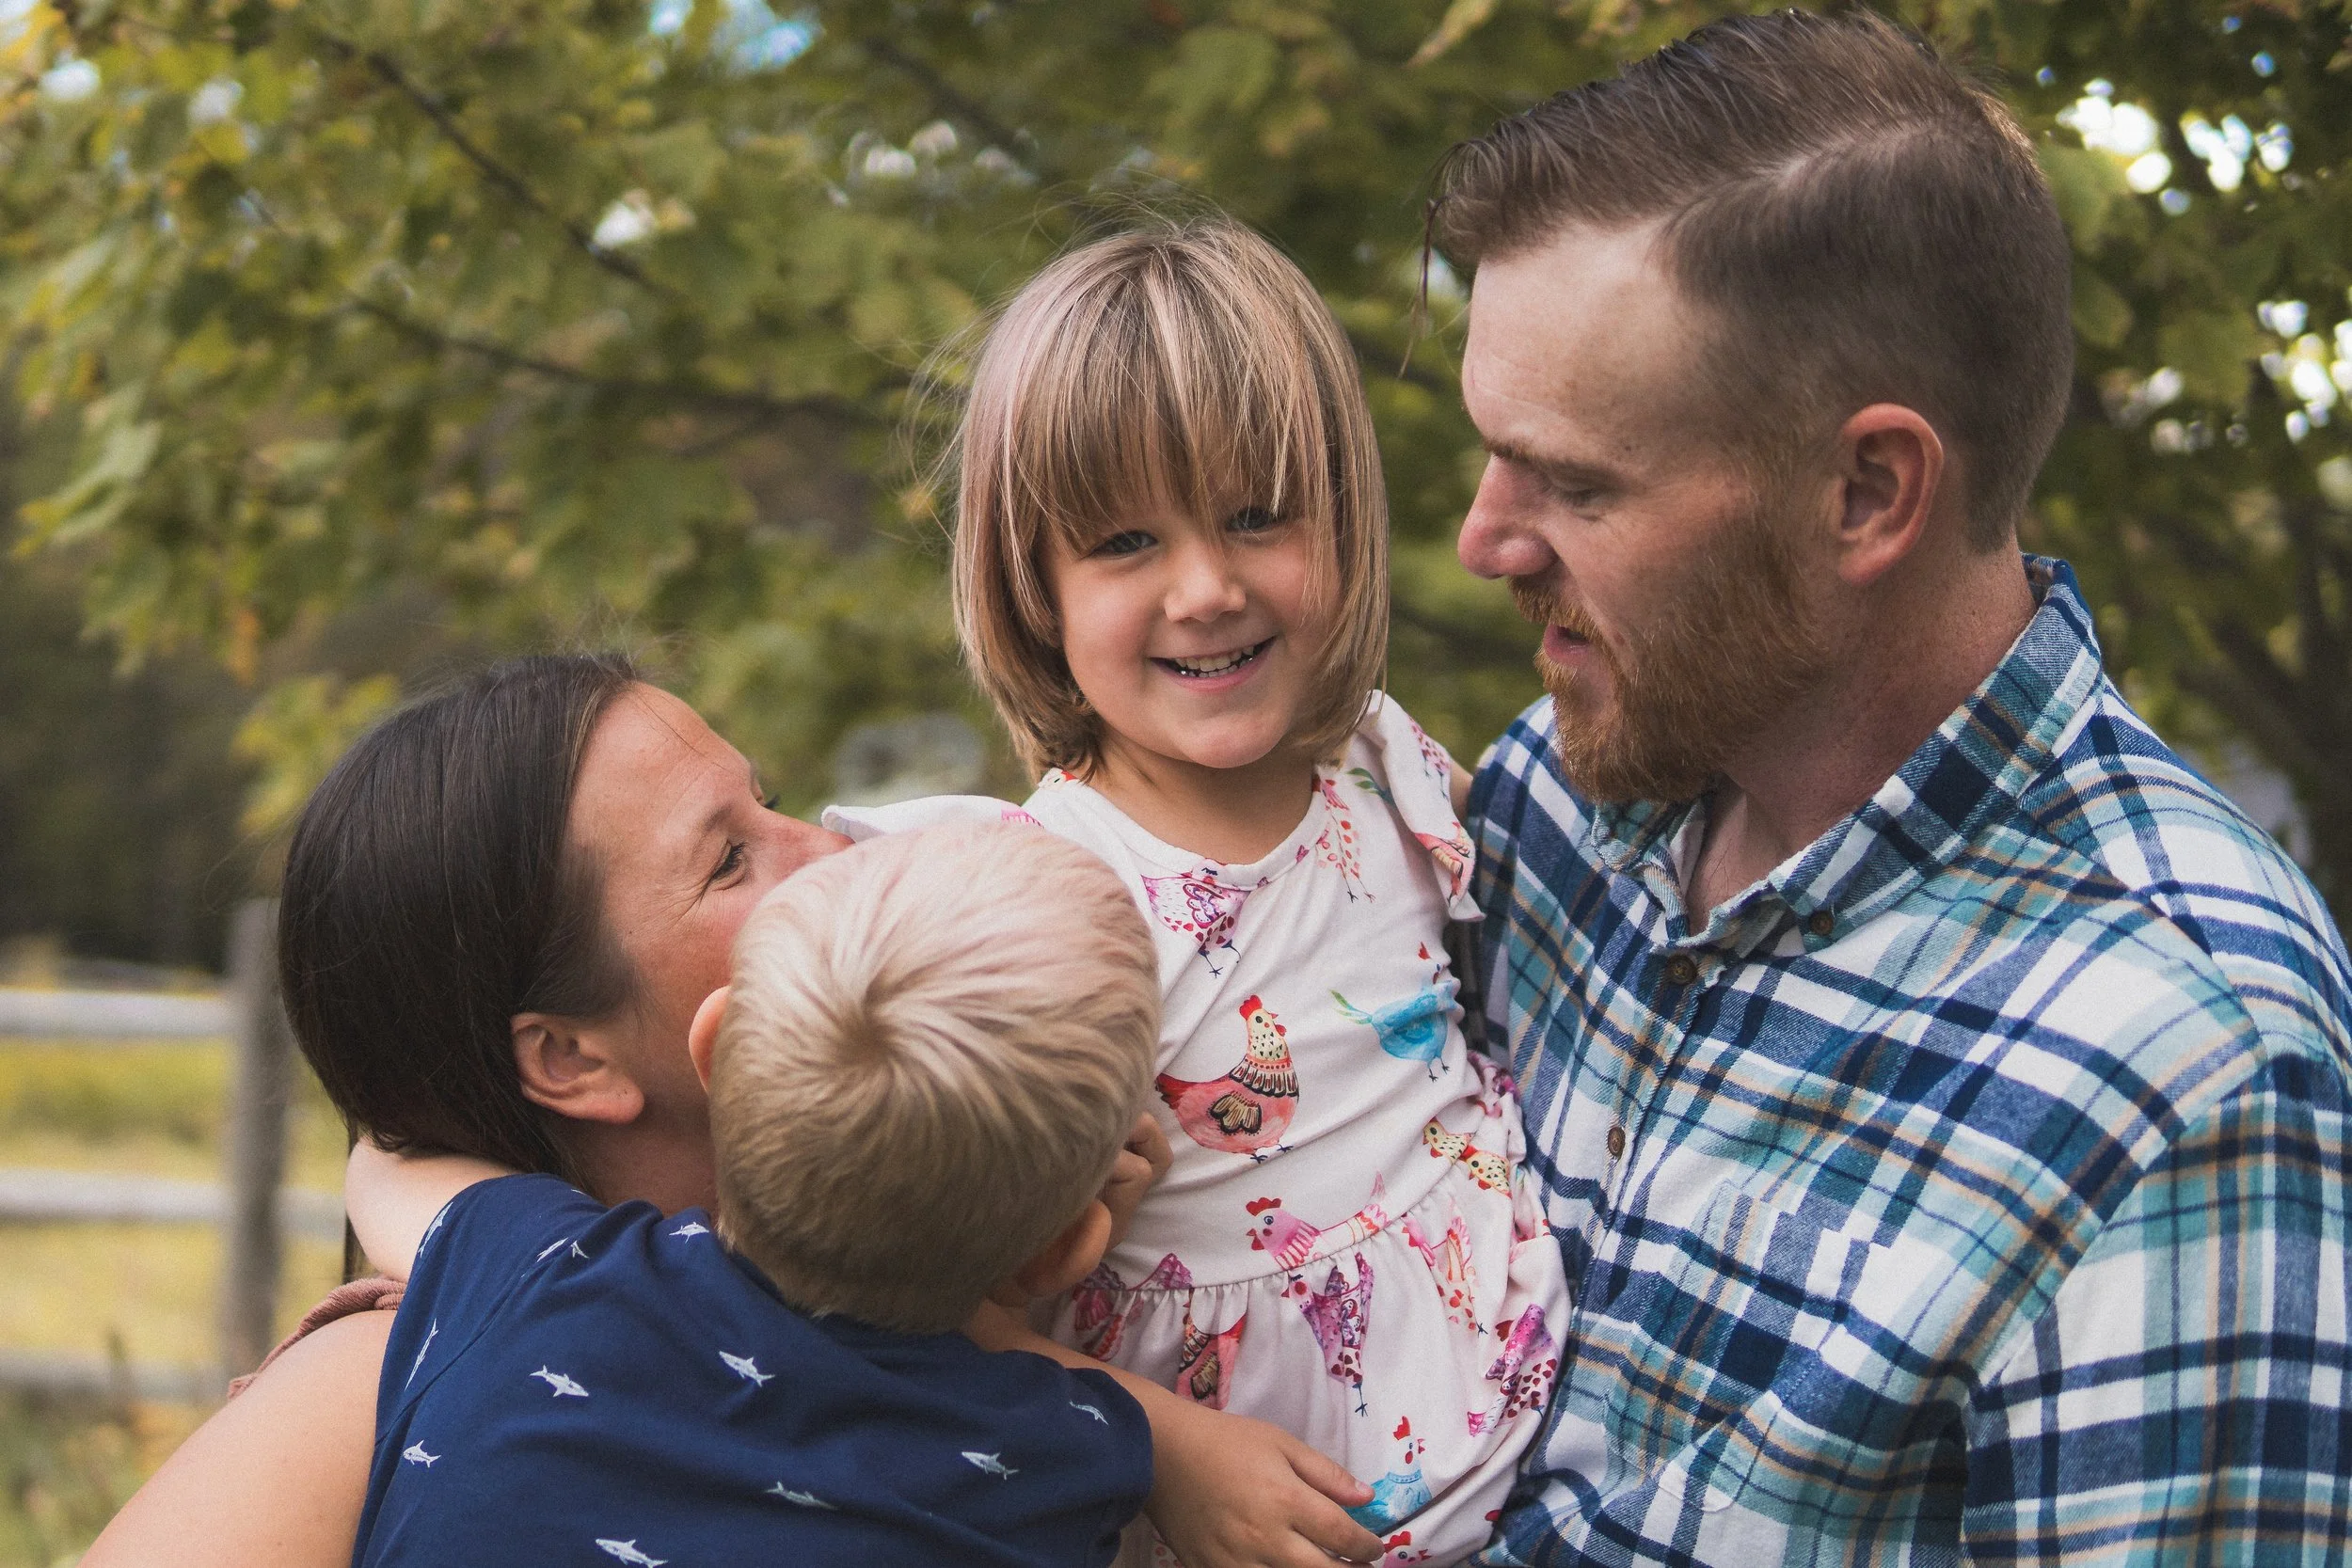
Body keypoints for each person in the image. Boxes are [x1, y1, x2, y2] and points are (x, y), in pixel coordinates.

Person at [1436, 11, 2352, 1565]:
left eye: (1578, 483)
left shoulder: (2178, 1066)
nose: (1486, 540)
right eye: (1496, 457)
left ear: (1869, 490)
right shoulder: (1563, 797)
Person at [81, 655, 1381, 1568]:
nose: (839, 840)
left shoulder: (512, 1288)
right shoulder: (381, 1377)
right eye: (729, 856)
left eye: (771, 799)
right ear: (569, 1056)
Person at [834, 220, 1572, 1565]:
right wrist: (1163, 1446)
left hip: (1547, 1464)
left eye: (1254, 515)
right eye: (1125, 541)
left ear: (1340, 521)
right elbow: (916, 1295)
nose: (1207, 587)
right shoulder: (1033, 901)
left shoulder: (1382, 762)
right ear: (1034, 587)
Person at [340, 823, 1162, 1566]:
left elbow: (385, 1163)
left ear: (713, 1047)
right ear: (1065, 1249)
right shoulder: (1068, 1456)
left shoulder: (546, 1272)